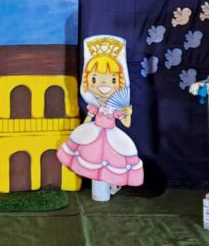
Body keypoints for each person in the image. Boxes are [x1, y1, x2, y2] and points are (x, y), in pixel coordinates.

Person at [57, 35, 144, 197]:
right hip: (94, 132)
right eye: (95, 78)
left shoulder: (115, 107)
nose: (104, 84)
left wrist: (128, 113)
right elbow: (88, 120)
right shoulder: (94, 105)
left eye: (112, 79)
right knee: (92, 157)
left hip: (111, 135)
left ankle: (112, 183)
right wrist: (83, 130)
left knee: (116, 156)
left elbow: (126, 124)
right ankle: (101, 187)